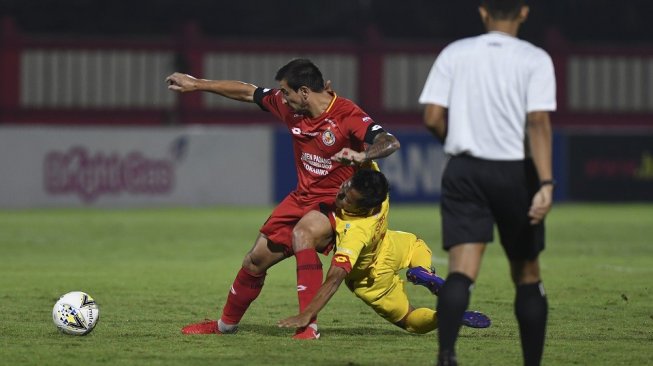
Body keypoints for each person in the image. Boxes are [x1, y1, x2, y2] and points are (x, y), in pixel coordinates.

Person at [166, 59, 400, 339]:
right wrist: (197, 84)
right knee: (254, 261)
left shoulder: (346, 114)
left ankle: (307, 328)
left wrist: (362, 155)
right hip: (301, 197)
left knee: (303, 234)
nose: (282, 99)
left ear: (303, 91)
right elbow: (248, 91)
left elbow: (389, 142)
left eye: (286, 93)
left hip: (338, 202)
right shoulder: (290, 107)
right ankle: (224, 326)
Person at [418, 0, 556, 365]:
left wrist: (457, 145)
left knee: (462, 270)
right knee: (527, 274)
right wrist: (545, 182)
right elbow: (538, 121)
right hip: (515, 172)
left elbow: (432, 117)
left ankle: (446, 355)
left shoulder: (455, 53)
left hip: (465, 171)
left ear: (483, 12)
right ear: (525, 12)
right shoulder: (535, 59)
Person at [278, 169, 491, 334]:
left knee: (409, 320)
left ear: (363, 209)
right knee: (418, 245)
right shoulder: (378, 192)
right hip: (391, 244)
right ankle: (424, 271)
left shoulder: (355, 233)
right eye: (346, 188)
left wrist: (307, 314)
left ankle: (443, 316)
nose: (341, 196)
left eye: (347, 201)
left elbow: (334, 279)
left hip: (371, 280)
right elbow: (372, 160)